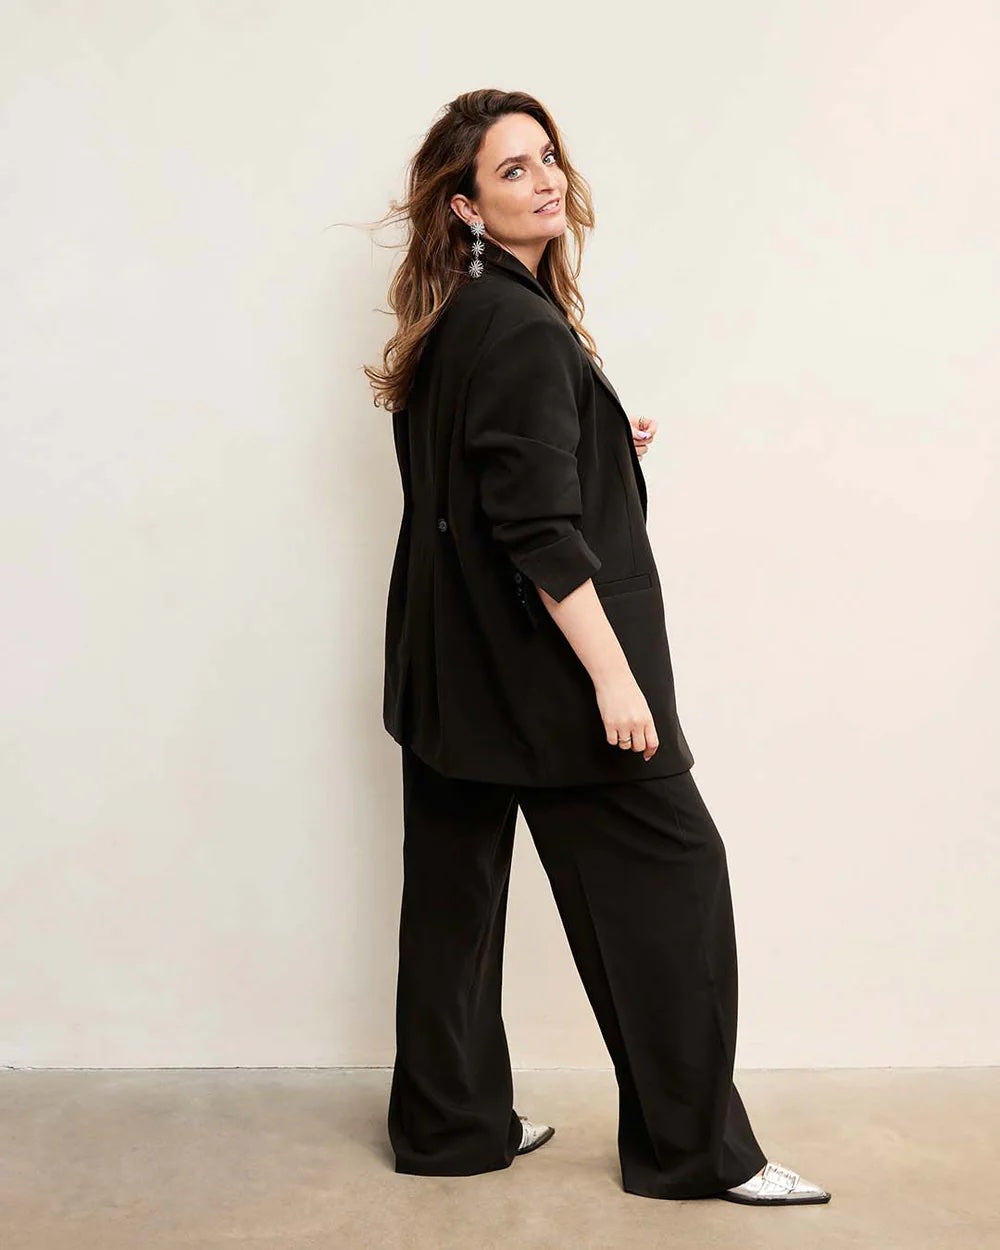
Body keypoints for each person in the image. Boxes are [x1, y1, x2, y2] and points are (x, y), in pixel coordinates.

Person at [365, 88, 831, 1206]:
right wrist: (615, 678)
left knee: (454, 903)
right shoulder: (523, 327)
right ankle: (695, 1152)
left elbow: (480, 479)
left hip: (448, 672)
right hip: (542, 677)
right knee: (676, 878)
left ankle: (449, 1125)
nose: (545, 180)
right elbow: (532, 527)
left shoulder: (458, 319)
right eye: (512, 169)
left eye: (547, 158)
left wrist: (597, 435)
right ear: (465, 205)